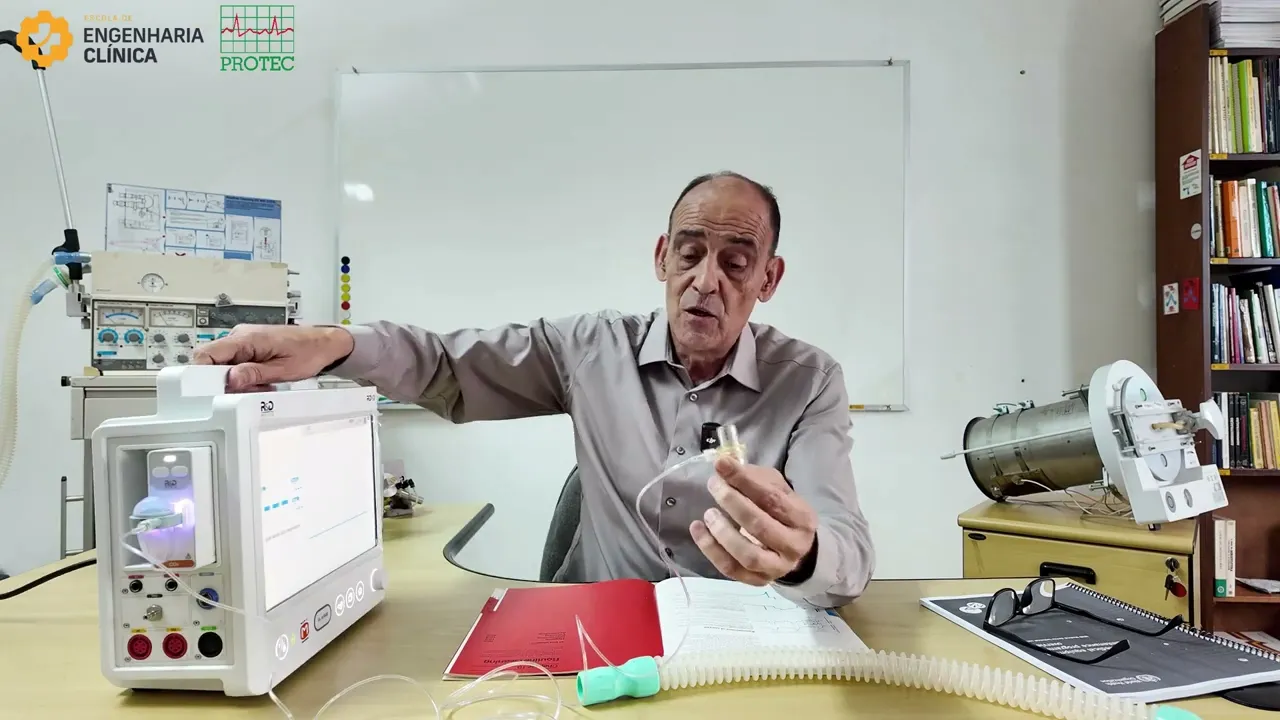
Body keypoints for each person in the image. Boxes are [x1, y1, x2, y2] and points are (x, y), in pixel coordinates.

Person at [194, 171, 875, 608]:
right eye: (690, 253)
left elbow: (847, 547)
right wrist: (335, 344)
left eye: (736, 262)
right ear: (662, 257)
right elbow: (448, 365)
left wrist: (805, 555)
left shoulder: (809, 382)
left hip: (739, 644)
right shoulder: (590, 350)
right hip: (599, 638)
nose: (705, 281)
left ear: (768, 279)